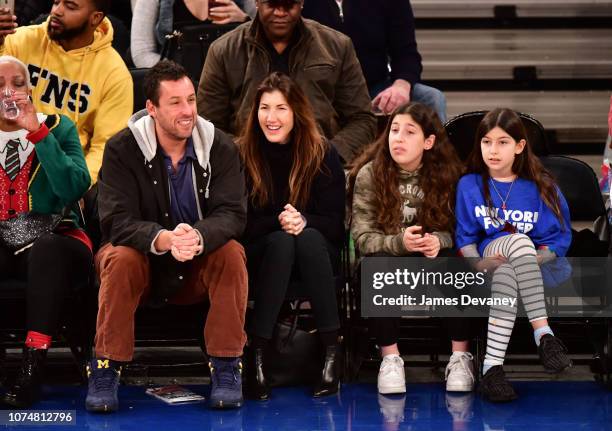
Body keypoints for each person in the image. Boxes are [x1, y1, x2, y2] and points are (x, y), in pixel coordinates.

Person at [86, 60, 248, 412]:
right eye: (175, 102)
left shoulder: (221, 146)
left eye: (191, 100)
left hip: (195, 265)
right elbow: (115, 221)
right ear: (152, 109)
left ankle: (226, 366)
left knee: (231, 253)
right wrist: (162, 238)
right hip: (141, 266)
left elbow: (233, 214)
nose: (188, 111)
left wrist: (197, 237)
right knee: (120, 256)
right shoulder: (122, 149)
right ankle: (104, 367)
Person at [348, 102, 473, 395]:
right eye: (393, 130)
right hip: (390, 263)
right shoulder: (370, 174)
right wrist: (400, 242)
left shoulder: (451, 176)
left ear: (429, 141)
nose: (398, 138)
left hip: (431, 263)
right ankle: (390, 359)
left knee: (458, 265)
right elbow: (362, 237)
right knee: (375, 267)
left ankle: (460, 356)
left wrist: (437, 241)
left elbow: (462, 231)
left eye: (409, 132)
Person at [238, 72, 345, 400]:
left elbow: (336, 226)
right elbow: (239, 223)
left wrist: (304, 220)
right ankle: (256, 352)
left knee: (309, 238)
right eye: (264, 108)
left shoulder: (321, 152)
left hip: (314, 254)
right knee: (285, 241)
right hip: (263, 253)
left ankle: (331, 351)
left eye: (281, 108)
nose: (271, 117)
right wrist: (281, 222)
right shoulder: (242, 154)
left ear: (296, 112)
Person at [455, 108, 573, 402]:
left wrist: (530, 261)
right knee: (516, 240)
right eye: (486, 142)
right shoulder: (468, 184)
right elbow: (465, 236)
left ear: (520, 146)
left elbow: (557, 240)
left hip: (530, 267)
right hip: (487, 260)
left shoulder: (541, 186)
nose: (493, 150)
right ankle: (544, 334)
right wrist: (478, 263)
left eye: (503, 142)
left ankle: (492, 370)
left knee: (513, 262)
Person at [0, 55, 92, 408]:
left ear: (30, 90)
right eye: (0, 84)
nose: (9, 91)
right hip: (5, 244)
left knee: (48, 250)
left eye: (18, 83)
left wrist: (37, 132)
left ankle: (31, 370)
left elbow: (74, 187)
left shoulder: (58, 127)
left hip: (57, 242)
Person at [197, 0, 376, 164]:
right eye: (273, 4)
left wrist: (328, 154)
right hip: (246, 174)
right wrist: (245, 154)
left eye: (288, 5)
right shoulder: (223, 51)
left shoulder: (337, 46)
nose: (280, 12)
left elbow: (362, 119)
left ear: (301, 3)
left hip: (321, 171)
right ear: (257, 2)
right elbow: (206, 125)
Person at [0, 0, 133, 182]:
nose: (57, 11)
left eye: (70, 7)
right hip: (8, 156)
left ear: (95, 18)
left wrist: (78, 184)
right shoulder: (21, 40)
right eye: (56, 2)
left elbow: (105, 147)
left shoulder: (114, 74)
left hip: (62, 173)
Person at [302, 0, 447, 122]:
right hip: (321, 90)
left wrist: (401, 87)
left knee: (431, 98)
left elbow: (406, 54)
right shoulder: (301, 4)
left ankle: (440, 155)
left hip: (374, 89)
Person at [130, 0, 256, 68]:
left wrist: (245, 20)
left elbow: (267, 40)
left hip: (233, 79)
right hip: (176, 84)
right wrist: (177, 73)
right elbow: (141, 53)